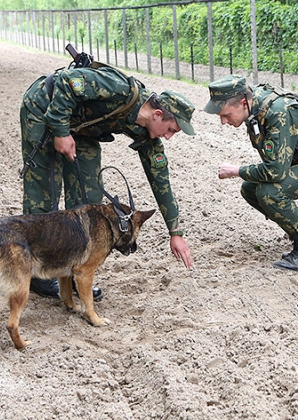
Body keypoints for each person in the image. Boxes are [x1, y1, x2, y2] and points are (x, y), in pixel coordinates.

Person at [20, 60, 195, 299]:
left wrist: (175, 232)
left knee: (89, 199)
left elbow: (160, 178)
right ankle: (37, 275)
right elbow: (67, 82)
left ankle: (75, 270)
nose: (169, 136)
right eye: (171, 129)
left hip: (82, 129)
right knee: (44, 193)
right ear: (157, 114)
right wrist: (61, 132)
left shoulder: (146, 132)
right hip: (43, 108)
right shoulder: (119, 89)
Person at [203, 75, 298, 272]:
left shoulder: (278, 111)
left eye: (226, 115)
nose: (223, 121)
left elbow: (275, 171)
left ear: (242, 103)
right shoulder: (254, 108)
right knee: (250, 189)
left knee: (270, 193)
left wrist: (236, 170)